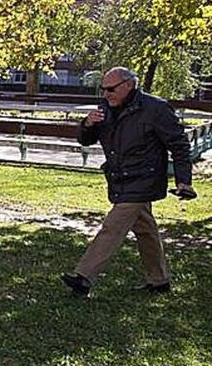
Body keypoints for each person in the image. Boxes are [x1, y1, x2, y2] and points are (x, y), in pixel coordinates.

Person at [62, 67, 197, 296]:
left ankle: (84, 276)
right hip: (119, 178)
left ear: (128, 85)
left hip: (145, 179)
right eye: (103, 89)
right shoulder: (106, 107)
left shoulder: (155, 109)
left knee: (113, 226)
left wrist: (183, 181)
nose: (106, 94)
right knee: (145, 230)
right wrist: (87, 125)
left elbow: (179, 145)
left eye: (111, 89)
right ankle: (159, 280)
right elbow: (86, 140)